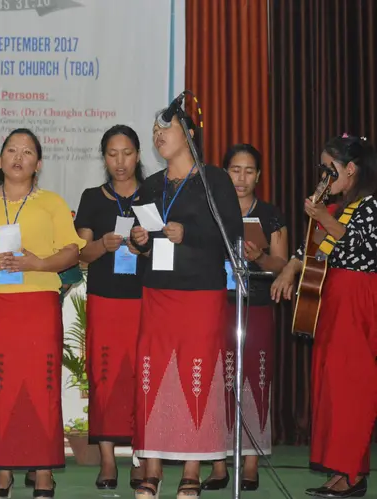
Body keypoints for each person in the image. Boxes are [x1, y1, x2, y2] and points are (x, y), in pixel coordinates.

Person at [0, 128, 85, 498]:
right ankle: (2, 472)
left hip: (37, 305)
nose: (18, 157)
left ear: (38, 164)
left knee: (41, 388)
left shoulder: (52, 203)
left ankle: (43, 473)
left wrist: (37, 263)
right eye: (11, 150)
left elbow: (71, 251)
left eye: (27, 152)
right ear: (0, 160)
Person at [129, 113, 243, 498]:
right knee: (154, 375)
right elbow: (144, 243)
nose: (158, 135)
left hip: (201, 293)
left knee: (198, 374)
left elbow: (233, 232)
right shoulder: (151, 185)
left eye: (166, 129)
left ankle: (192, 469)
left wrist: (188, 232)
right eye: (154, 131)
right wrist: (140, 240)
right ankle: (153, 469)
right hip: (157, 292)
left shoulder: (214, 180)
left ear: (190, 134)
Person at [271, 134, 377, 498]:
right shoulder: (337, 206)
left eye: (329, 170)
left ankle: (353, 474)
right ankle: (340, 469)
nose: (323, 178)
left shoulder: (369, 205)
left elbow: (359, 245)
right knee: (331, 385)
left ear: (351, 169)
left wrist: (321, 217)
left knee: (352, 387)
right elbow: (310, 248)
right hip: (332, 300)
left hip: (357, 300)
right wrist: (290, 269)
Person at [201, 144, 289, 491]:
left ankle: (251, 463)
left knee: (256, 377)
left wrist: (260, 256)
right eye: (235, 170)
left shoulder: (269, 214)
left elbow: (281, 264)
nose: (241, 178)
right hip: (216, 304)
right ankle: (218, 464)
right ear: (225, 173)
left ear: (259, 176)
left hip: (257, 304)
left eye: (249, 171)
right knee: (218, 379)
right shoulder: (211, 210)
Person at [74, 124, 146, 490]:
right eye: (112, 154)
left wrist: (144, 248)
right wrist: (103, 245)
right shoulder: (92, 198)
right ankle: (106, 461)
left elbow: (168, 251)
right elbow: (81, 254)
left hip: (145, 301)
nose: (120, 162)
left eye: (127, 153)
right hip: (104, 300)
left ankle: (140, 458)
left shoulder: (154, 195)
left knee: (141, 380)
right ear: (104, 158)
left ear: (138, 155)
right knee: (103, 378)